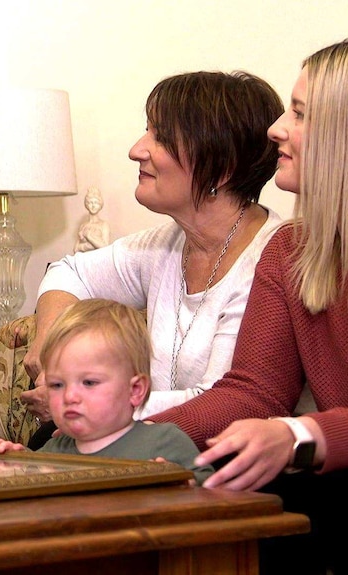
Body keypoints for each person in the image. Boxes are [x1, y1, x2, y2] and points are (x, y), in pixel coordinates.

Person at [149, 40, 348, 575]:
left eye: (301, 114)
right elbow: (253, 391)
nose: (277, 128)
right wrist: (133, 443)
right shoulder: (291, 250)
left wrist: (297, 436)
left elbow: (291, 427)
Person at [20, 71, 286, 448]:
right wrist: (48, 348)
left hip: (222, 460)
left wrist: (87, 400)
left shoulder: (271, 259)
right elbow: (69, 272)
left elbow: (224, 405)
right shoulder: (166, 244)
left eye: (159, 136)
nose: (136, 150)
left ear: (222, 167)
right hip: (153, 444)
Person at [0, 299, 213, 485]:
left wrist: (183, 486)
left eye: (89, 383)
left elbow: (215, 494)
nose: (70, 397)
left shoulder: (164, 441)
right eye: (57, 385)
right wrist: (19, 463)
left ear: (135, 390)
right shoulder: (55, 449)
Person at [74, 187, 110, 253]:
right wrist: (92, 245)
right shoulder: (83, 226)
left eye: (96, 203)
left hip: (98, 260)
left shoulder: (104, 225)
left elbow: (106, 247)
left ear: (100, 205)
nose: (93, 206)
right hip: (84, 260)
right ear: (87, 204)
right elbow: (76, 249)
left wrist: (89, 236)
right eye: (90, 203)